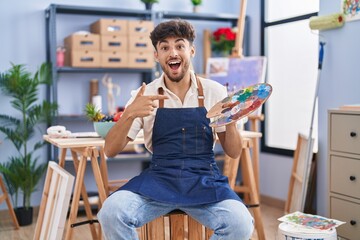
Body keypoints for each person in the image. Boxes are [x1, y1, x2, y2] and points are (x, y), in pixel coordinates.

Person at [97, 19, 254, 240]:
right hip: (159, 180)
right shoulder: (144, 94)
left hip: (204, 180)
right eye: (164, 47)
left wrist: (230, 119)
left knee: (241, 224)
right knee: (111, 213)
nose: (173, 52)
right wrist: (130, 112)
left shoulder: (215, 91)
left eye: (179, 46)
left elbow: (234, 152)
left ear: (191, 50)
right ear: (156, 55)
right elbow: (110, 150)